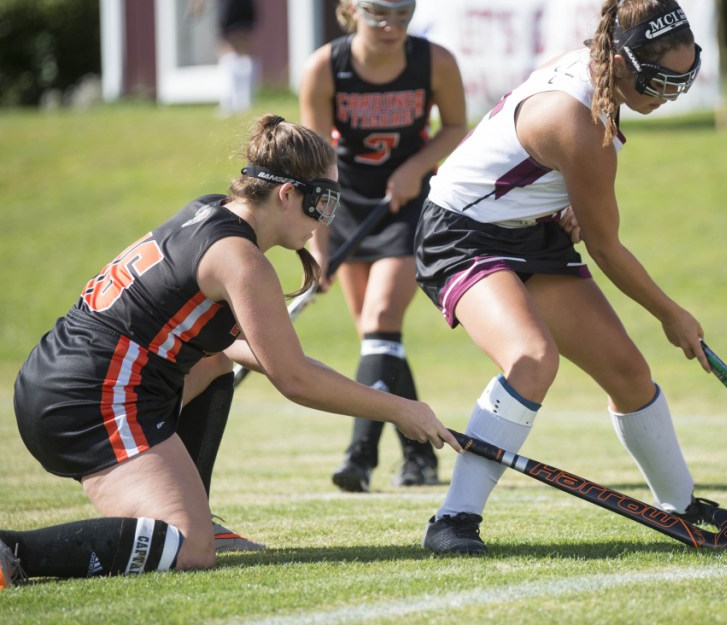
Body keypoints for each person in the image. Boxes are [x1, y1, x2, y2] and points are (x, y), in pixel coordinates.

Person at [0, 114, 460, 588]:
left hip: (59, 377)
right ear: (287, 194)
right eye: (324, 201)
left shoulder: (208, 212)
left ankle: (193, 510)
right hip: (88, 397)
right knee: (189, 548)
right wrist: (400, 409)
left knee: (214, 358)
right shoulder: (241, 260)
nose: (327, 218)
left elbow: (252, 352)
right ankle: (15, 551)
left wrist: (330, 379)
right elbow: (294, 379)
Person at [413, 0, 727, 554]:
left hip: (531, 231)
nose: (669, 94)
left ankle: (681, 505)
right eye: (660, 81)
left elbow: (555, 184)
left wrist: (563, 198)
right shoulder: (582, 124)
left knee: (627, 373)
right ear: (621, 63)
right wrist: (671, 314)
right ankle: (452, 520)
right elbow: (605, 248)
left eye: (686, 77)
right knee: (531, 358)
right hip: (461, 234)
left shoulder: (599, 71)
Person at [299, 0, 467, 493]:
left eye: (403, 11)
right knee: (379, 339)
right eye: (377, 11)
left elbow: (457, 126)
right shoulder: (326, 67)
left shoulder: (433, 61)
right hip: (348, 208)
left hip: (411, 208)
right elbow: (317, 162)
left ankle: (360, 457)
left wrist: (417, 167)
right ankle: (420, 457)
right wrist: (318, 244)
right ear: (352, 8)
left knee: (379, 320)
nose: (391, 24)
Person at [188, 0, 262, 115]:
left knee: (227, 47)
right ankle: (246, 99)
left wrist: (196, 0)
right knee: (246, 47)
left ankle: (231, 101)